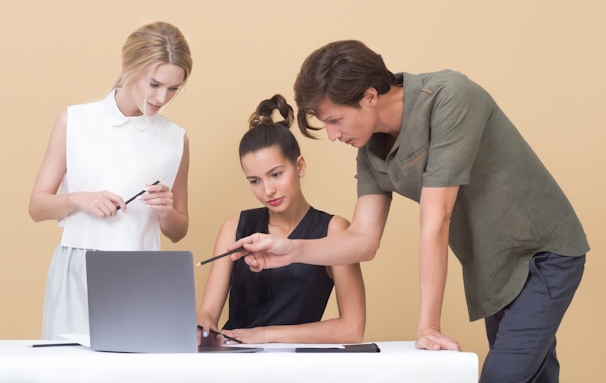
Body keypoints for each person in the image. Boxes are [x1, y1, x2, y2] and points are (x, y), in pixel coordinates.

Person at [231, 41, 589, 382]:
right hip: (492, 269)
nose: (331, 134)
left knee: (504, 377)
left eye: (336, 120)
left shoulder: (451, 97)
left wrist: (427, 327)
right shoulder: (370, 148)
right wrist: (291, 251)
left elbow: (437, 219)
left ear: (370, 97)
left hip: (541, 254)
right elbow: (363, 239)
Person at [28, 21, 193, 339]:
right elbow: (36, 207)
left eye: (174, 88)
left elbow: (178, 230)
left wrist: (165, 211)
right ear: (131, 68)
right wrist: (78, 198)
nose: (162, 97)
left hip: (143, 274)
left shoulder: (176, 140)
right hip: (78, 268)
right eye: (155, 84)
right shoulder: (75, 121)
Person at [197, 94, 365, 345]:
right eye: (254, 181)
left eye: (276, 174)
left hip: (295, 366)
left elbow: (352, 329)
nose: (268, 191)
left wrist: (266, 335)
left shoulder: (334, 230)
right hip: (234, 362)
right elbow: (208, 313)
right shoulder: (234, 228)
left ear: (300, 166)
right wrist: (202, 327)